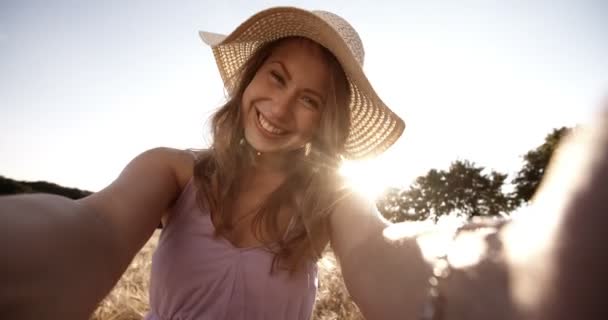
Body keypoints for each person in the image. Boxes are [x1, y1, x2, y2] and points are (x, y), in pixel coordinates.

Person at [1, 6, 607, 320]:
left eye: (310, 99)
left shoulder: (334, 201)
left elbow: (384, 254)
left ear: (328, 121)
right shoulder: (172, 171)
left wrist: (526, 273)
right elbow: (95, 228)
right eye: (276, 77)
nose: (280, 107)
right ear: (249, 81)